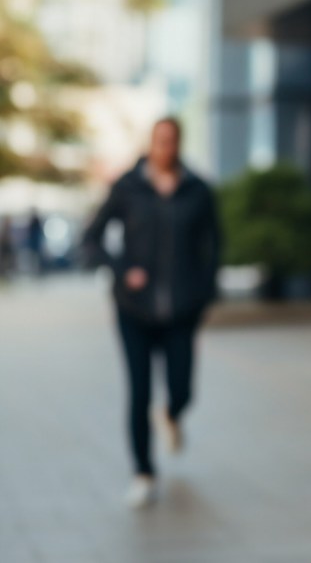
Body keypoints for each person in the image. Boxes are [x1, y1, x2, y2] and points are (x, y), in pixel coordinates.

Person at [82, 116, 221, 508]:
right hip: (134, 311)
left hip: (181, 310)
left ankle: (173, 414)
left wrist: (205, 292)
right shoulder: (127, 187)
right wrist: (123, 270)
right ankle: (143, 472)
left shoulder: (198, 190)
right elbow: (90, 239)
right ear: (151, 143)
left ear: (179, 143)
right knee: (139, 392)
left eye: (172, 141)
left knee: (182, 389)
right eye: (160, 140)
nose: (166, 147)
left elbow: (214, 243)